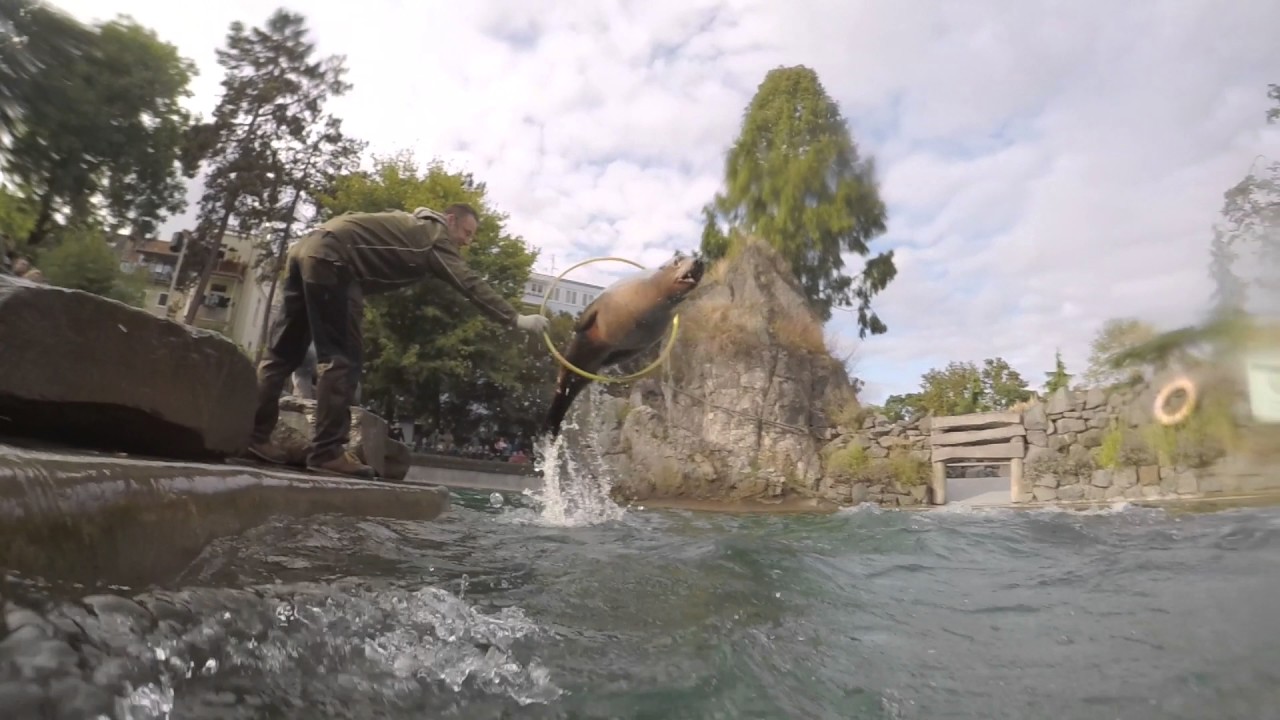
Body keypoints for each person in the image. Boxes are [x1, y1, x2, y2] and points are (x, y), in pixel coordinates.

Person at [245, 203, 551, 478]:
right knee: (341, 360)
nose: (467, 242)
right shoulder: (434, 235)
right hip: (335, 260)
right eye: (467, 232)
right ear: (450, 219)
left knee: (280, 354)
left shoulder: (407, 224)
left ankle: (253, 437)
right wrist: (515, 318)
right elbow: (468, 282)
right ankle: (326, 453)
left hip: (306, 249)